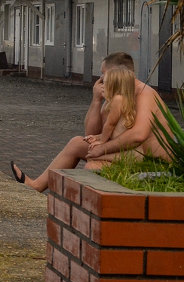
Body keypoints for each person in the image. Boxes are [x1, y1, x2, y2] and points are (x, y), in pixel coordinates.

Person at [11, 52, 170, 192]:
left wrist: (103, 149)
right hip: (123, 152)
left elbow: (139, 135)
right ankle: (36, 185)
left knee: (93, 166)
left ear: (119, 74)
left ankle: (89, 211)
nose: (100, 79)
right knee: (76, 143)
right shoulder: (114, 96)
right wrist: (96, 100)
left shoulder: (145, 94)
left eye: (103, 74)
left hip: (148, 159)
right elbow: (91, 133)